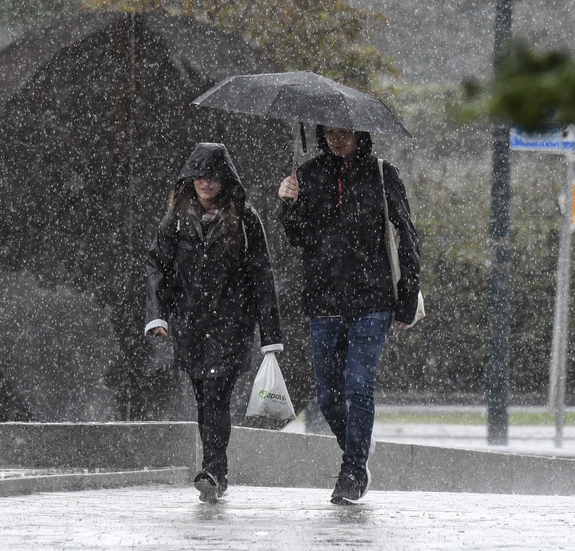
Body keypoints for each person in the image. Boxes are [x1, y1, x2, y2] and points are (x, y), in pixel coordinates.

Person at [277, 125, 421, 505]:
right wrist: (287, 202)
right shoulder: (307, 175)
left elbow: (405, 235)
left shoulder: (381, 173)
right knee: (328, 398)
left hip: (371, 299)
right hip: (324, 301)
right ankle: (359, 443)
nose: (337, 139)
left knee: (358, 386)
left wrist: (406, 299)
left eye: (344, 133)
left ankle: (353, 470)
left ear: (360, 133)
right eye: (329, 133)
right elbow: (297, 236)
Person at [145, 142, 284, 504]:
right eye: (199, 175)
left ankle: (214, 470)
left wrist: (270, 336)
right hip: (191, 325)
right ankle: (214, 472)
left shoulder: (245, 219)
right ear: (190, 178)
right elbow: (157, 266)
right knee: (203, 400)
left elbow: (261, 276)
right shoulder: (176, 220)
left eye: (212, 175)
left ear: (225, 179)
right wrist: (157, 313)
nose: (205, 182)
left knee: (216, 396)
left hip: (231, 325)